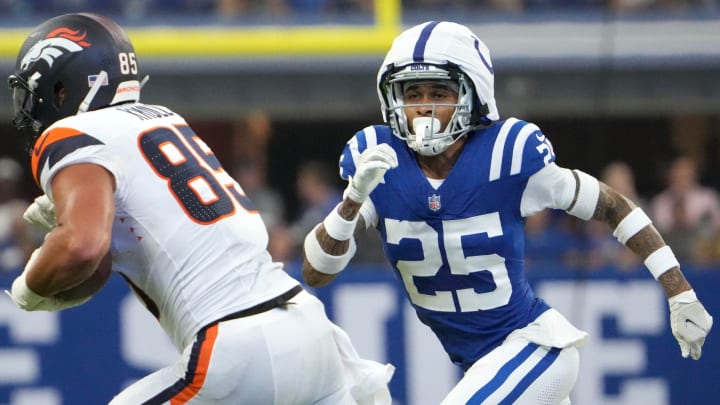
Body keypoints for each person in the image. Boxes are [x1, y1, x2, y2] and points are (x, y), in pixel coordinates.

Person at [301, 21, 713, 404]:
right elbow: (316, 273)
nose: (423, 108)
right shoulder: (378, 163)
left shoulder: (508, 154)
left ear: (472, 95)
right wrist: (353, 199)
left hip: (536, 349)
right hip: (483, 367)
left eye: (439, 93)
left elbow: (612, 205)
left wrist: (680, 291)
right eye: (413, 94)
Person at [4, 13, 393, 404]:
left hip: (238, 344)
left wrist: (27, 286)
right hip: (310, 331)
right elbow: (94, 264)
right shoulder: (165, 118)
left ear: (61, 89)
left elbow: (81, 247)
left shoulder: (72, 134)